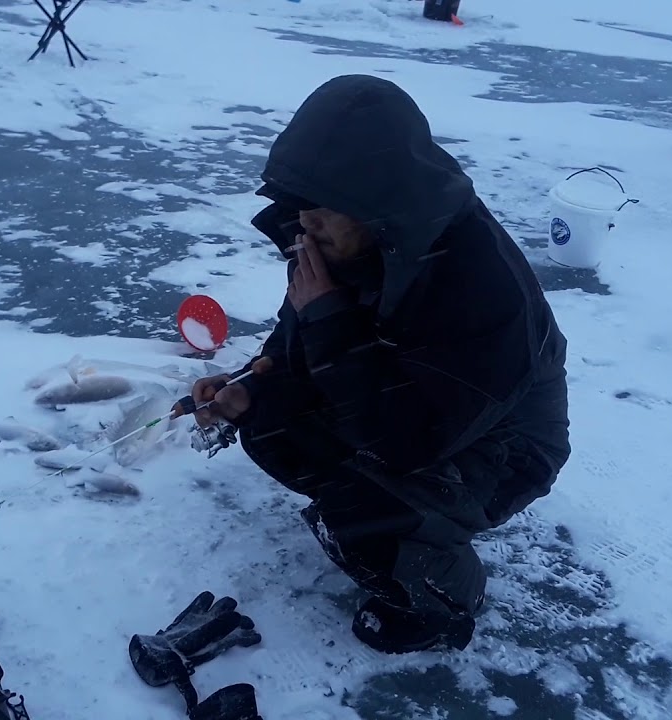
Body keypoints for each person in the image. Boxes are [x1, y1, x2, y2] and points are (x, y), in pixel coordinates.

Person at [180, 74, 572, 654]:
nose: (302, 232)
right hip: (408, 404)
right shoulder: (349, 238)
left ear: (375, 205)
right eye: (299, 216)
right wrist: (249, 383)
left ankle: (446, 596)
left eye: (317, 219)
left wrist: (329, 321)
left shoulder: (483, 289)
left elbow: (411, 440)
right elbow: (299, 337)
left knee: (366, 509)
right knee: (268, 418)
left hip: (502, 447)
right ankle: (392, 518)